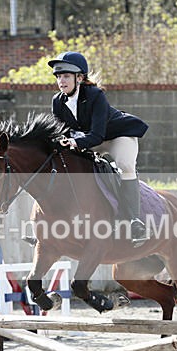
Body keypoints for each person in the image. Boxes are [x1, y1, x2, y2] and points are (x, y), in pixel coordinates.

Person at [48, 51, 150, 247]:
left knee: (124, 164)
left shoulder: (95, 95)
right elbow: (60, 132)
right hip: (89, 140)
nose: (61, 81)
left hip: (117, 136)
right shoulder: (57, 101)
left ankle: (134, 221)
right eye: (58, 77)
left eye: (66, 76)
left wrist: (74, 143)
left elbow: (97, 135)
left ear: (80, 78)